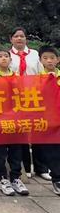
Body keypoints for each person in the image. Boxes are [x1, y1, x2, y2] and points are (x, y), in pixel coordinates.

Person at [9, 27, 49, 180]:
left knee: (37, 131)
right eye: (16, 36)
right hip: (16, 99)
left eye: (22, 36)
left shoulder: (34, 55)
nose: (19, 39)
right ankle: (26, 166)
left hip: (34, 97)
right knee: (22, 132)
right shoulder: (7, 55)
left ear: (26, 38)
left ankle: (41, 167)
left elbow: (42, 74)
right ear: (11, 39)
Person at [0, 49, 29, 196]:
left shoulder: (17, 77)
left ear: (10, 60)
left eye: (6, 56)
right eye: (0, 56)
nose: (4, 59)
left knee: (16, 150)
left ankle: (15, 178)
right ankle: (1, 178)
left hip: (15, 118)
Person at [38, 45, 60, 195]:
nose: (49, 61)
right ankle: (57, 179)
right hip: (47, 120)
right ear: (40, 61)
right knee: (51, 150)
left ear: (58, 60)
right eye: (45, 58)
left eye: (52, 58)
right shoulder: (36, 79)